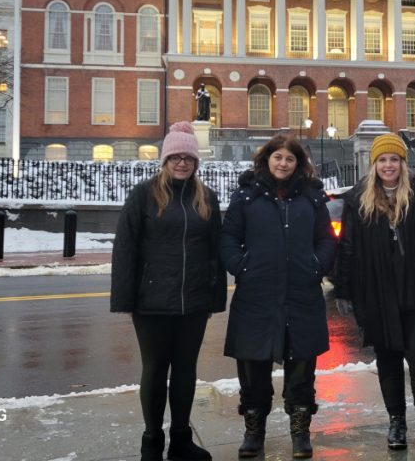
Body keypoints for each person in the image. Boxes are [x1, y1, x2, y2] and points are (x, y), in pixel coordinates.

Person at [110, 121, 225, 461]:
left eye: (187, 157)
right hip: (152, 302)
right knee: (155, 369)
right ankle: (151, 442)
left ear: (195, 162)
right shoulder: (143, 195)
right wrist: (125, 299)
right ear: (164, 160)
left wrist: (214, 297)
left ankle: (180, 440)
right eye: (174, 157)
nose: (181, 163)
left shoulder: (207, 198)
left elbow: (215, 250)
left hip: (194, 301)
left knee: (186, 370)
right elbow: (125, 248)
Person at [221, 134, 337, 459]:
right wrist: (241, 266)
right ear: (266, 160)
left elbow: (326, 239)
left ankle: (300, 431)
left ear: (297, 163)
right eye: (278, 157)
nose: (283, 163)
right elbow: (228, 237)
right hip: (257, 296)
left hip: (301, 295)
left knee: (301, 369)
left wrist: (317, 265)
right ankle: (254, 430)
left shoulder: (311, 199)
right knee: (253, 369)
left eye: (289, 158)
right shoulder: (247, 197)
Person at [333, 134, 415, 452]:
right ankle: (396, 421)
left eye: (394, 159)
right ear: (374, 164)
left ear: (403, 163)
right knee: (388, 358)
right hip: (376, 290)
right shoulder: (358, 198)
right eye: (382, 160)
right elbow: (348, 246)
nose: (388, 165)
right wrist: (343, 288)